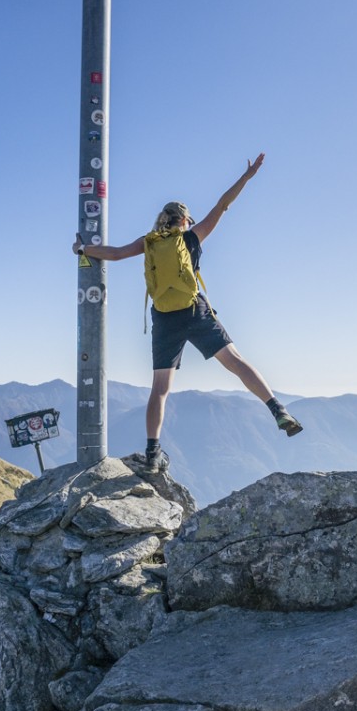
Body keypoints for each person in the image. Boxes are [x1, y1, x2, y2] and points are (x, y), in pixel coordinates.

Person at [73, 153, 303, 472]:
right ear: (184, 220)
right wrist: (247, 177)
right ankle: (277, 409)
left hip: (164, 318)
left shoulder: (150, 242)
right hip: (195, 312)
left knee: (160, 389)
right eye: (190, 220)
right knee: (235, 362)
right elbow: (223, 205)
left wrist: (84, 250)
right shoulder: (191, 238)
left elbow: (115, 253)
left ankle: (153, 453)